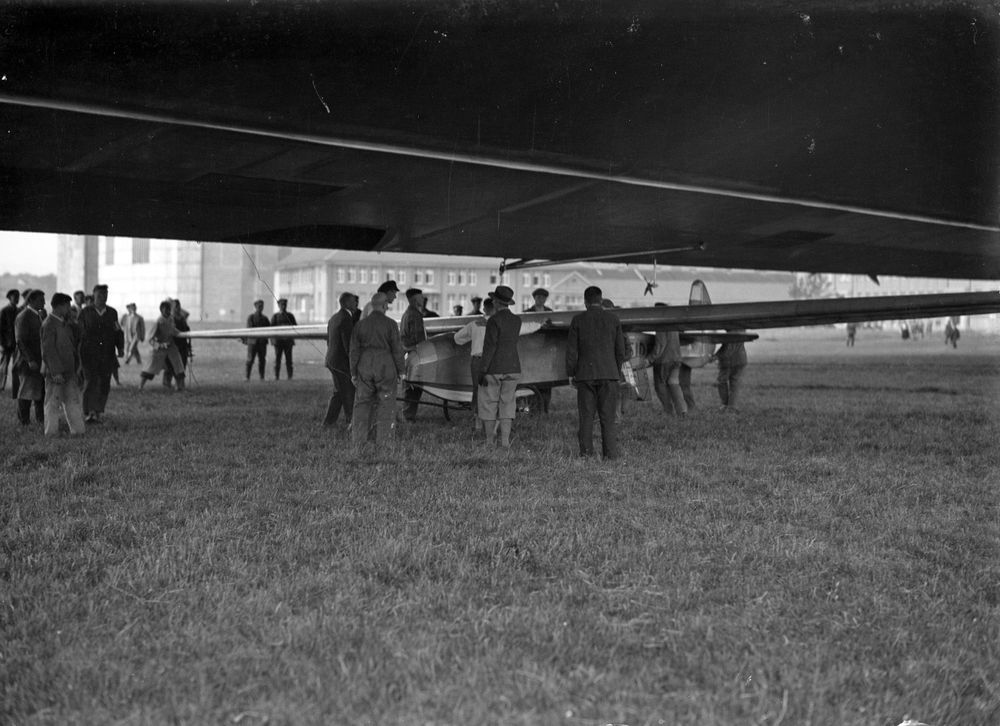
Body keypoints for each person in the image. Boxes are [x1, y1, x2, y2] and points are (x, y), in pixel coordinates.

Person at [565, 286, 627, 460]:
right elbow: (620, 351)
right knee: (608, 418)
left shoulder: (577, 320)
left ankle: (586, 454)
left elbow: (571, 351)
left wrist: (571, 372)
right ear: (601, 300)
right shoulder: (613, 319)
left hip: (585, 375)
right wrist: (614, 369)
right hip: (610, 374)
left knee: (586, 418)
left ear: (585, 301)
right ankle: (611, 456)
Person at [349, 292, 405, 447]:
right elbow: (397, 349)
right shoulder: (391, 324)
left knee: (361, 404)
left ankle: (359, 441)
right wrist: (401, 371)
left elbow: (353, 351)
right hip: (385, 366)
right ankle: (385, 442)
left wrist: (353, 373)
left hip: (365, 366)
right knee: (386, 403)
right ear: (385, 305)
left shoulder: (360, 325)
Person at [478, 285, 523, 448]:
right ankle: (505, 442)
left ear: (496, 302)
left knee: (489, 403)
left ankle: (489, 441)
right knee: (508, 403)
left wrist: (482, 370)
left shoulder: (493, 321)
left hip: (494, 368)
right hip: (513, 366)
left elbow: (489, 347)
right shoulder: (517, 320)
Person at [41, 293, 85, 436]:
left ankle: (78, 431)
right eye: (66, 306)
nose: (68, 309)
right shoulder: (48, 324)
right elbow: (48, 350)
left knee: (72, 401)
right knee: (52, 404)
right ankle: (51, 433)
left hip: (69, 372)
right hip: (56, 374)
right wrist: (56, 372)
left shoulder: (64, 323)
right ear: (59, 306)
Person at [77, 284, 122, 424]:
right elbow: (79, 333)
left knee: (104, 383)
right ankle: (88, 411)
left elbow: (118, 331)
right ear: (94, 295)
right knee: (90, 381)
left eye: (105, 294)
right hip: (89, 354)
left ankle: (98, 411)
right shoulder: (85, 313)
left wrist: (120, 347)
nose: (103, 297)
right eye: (100, 295)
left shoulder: (112, 313)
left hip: (107, 354)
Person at [454, 297, 495, 433]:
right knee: (493, 390)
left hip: (477, 360)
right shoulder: (498, 324)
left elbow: (457, 338)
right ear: (495, 308)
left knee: (478, 390)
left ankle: (478, 422)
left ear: (484, 309)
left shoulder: (475, 323)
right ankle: (492, 423)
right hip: (493, 360)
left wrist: (471, 339)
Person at [323, 292, 359, 428]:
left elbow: (329, 341)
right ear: (347, 303)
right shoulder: (346, 319)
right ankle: (351, 422)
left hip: (332, 361)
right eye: (354, 301)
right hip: (340, 363)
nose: (356, 304)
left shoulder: (334, 318)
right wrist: (353, 364)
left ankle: (328, 422)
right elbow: (348, 345)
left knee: (339, 392)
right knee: (348, 392)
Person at [646, 303, 687, 417]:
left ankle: (668, 411)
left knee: (660, 386)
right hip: (676, 359)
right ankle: (682, 410)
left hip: (664, 361)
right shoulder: (673, 323)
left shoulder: (661, 325)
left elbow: (660, 345)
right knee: (674, 383)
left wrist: (649, 360)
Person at [12, 289, 45, 426]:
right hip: (27, 363)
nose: (43, 302)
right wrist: (29, 359)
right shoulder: (24, 316)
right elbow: (21, 341)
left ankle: (40, 419)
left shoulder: (38, 315)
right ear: (31, 300)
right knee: (26, 392)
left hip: (37, 361)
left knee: (39, 392)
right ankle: (23, 421)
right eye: (40, 299)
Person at [139, 300, 186, 390]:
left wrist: (182, 334)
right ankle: (140, 386)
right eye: (165, 309)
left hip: (171, 347)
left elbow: (173, 330)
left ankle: (179, 386)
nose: (167, 311)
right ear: (161, 310)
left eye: (169, 309)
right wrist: (160, 345)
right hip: (159, 349)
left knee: (178, 365)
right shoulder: (158, 321)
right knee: (150, 367)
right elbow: (150, 339)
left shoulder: (171, 319)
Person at [524, 287, 554, 413]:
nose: (540, 299)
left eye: (543, 297)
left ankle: (545, 408)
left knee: (547, 382)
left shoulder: (551, 313)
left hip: (545, 352)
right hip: (531, 351)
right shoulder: (527, 312)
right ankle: (532, 408)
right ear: (534, 298)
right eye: (538, 297)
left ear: (546, 299)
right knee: (532, 381)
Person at [399, 288, 426, 421]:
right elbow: (418, 338)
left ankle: (407, 415)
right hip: (415, 354)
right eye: (421, 297)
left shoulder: (408, 313)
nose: (423, 299)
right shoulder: (414, 314)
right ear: (415, 299)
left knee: (411, 387)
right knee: (414, 388)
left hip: (409, 354)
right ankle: (408, 416)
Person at [714, 336, 748, 412]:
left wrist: (716, 356)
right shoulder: (739, 330)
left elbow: (729, 348)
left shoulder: (732, 332)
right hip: (740, 359)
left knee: (722, 381)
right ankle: (731, 406)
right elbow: (726, 347)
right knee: (734, 384)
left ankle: (727, 406)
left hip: (730, 361)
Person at [163, 298, 190, 389]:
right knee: (171, 365)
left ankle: (179, 384)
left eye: (179, 306)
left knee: (182, 364)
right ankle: (169, 382)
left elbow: (186, 316)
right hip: (173, 344)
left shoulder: (182, 317)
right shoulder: (170, 318)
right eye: (176, 306)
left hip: (182, 344)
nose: (178, 308)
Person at [270, 297, 297, 379]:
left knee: (289, 360)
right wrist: (273, 341)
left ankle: (290, 376)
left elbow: (295, 327)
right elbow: (271, 329)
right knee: (277, 360)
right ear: (278, 305)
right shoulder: (275, 316)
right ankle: (276, 376)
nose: (283, 306)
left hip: (288, 341)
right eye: (281, 305)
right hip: (278, 342)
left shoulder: (290, 316)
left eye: (284, 305)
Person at [244, 299, 270, 380]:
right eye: (259, 306)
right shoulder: (251, 317)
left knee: (262, 360)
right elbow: (250, 329)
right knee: (250, 360)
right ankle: (247, 377)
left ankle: (262, 377)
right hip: (253, 343)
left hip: (262, 343)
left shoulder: (265, 319)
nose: (260, 308)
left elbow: (269, 329)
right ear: (255, 307)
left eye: (261, 306)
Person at [1, 289, 19, 391]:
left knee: (16, 366)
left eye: (17, 297)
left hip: (16, 343)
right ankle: (1, 385)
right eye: (14, 297)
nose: (16, 299)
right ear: (10, 298)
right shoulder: (4, 311)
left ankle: (15, 387)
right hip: (6, 343)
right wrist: (1, 344)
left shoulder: (19, 311)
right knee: (4, 365)